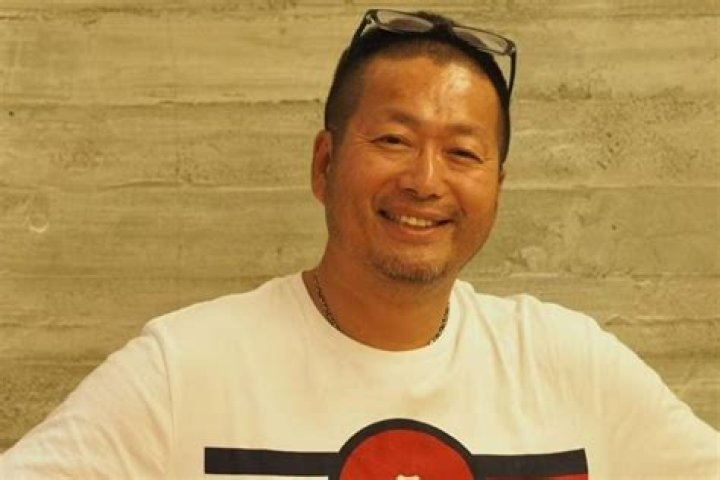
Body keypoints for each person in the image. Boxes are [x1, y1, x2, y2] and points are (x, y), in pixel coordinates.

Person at [1, 9, 717, 480]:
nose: (425, 180)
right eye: (394, 140)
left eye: (463, 153)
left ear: (497, 186)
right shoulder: (186, 369)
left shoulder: (568, 363)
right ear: (324, 164)